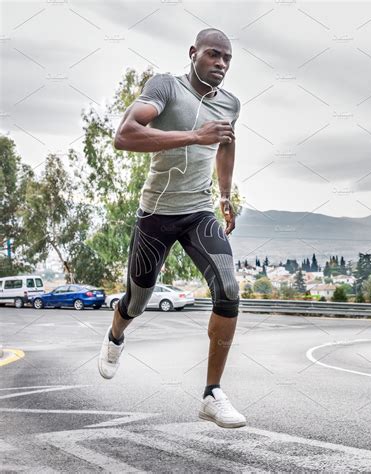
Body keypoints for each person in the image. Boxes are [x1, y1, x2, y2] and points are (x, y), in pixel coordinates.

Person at [97, 28, 246, 429]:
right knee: (137, 301)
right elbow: (124, 136)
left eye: (227, 59)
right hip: (156, 214)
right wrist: (196, 135)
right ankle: (115, 336)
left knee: (229, 289)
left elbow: (227, 142)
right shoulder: (166, 87)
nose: (221, 64)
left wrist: (225, 196)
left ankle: (212, 394)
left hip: (198, 212)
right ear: (194, 53)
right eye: (214, 55)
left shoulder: (230, 103)